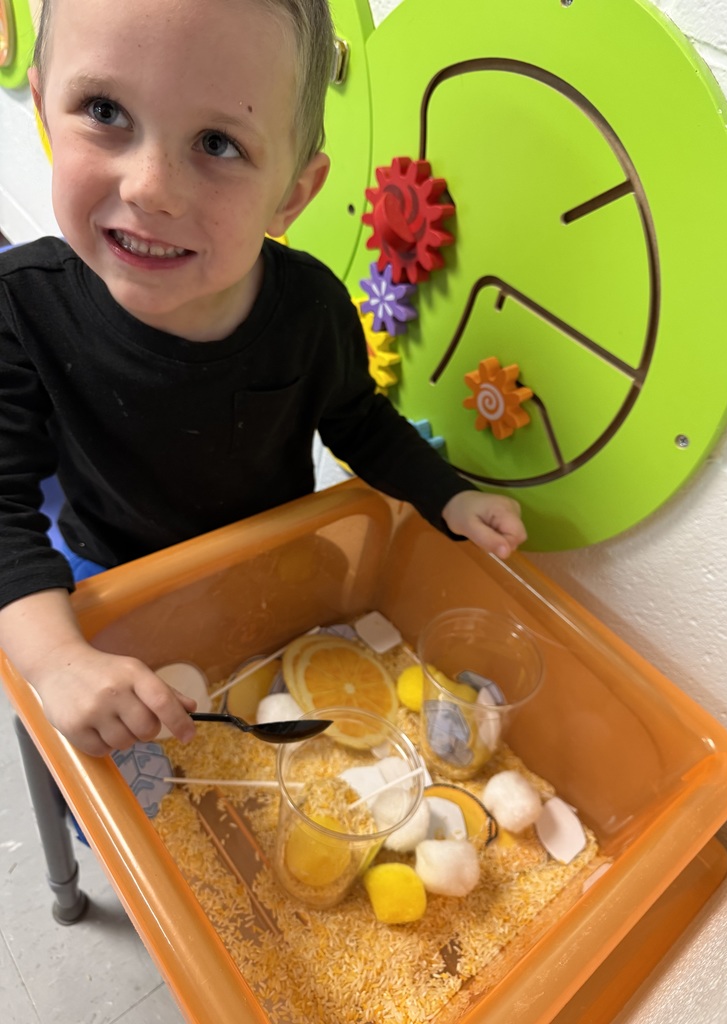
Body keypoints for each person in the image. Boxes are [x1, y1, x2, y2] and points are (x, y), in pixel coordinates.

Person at [0, 0, 526, 757]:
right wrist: (57, 660)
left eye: (217, 142)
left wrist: (448, 494)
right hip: (112, 577)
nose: (151, 187)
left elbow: (359, 420)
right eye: (105, 110)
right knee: (136, 768)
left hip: (272, 571)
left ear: (292, 195)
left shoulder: (311, 308)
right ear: (47, 107)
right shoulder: (21, 306)